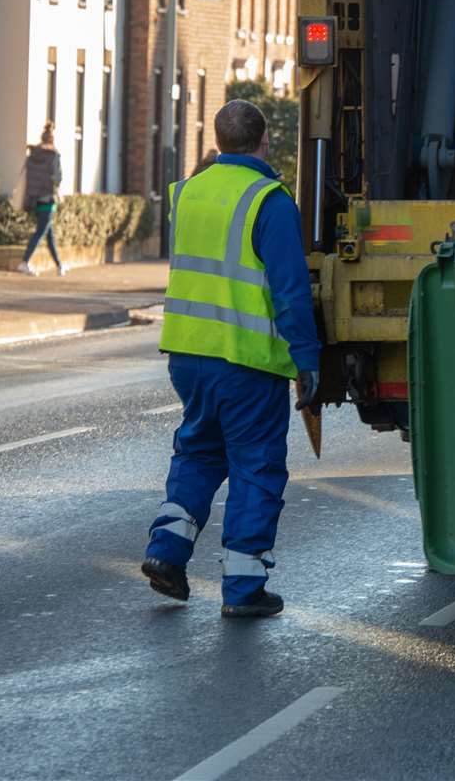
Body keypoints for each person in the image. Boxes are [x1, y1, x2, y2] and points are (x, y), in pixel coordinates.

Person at [140, 100, 321, 618]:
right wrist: (306, 360)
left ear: (219, 142)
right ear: (265, 142)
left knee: (198, 453)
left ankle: (166, 552)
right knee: (256, 467)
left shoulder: (187, 193)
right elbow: (289, 292)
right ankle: (243, 589)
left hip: (188, 355)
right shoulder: (271, 201)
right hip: (246, 361)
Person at [17, 123, 65, 276]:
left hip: (33, 199)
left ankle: (59, 265)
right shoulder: (53, 156)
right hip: (47, 198)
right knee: (40, 232)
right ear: (52, 139)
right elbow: (58, 178)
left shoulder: (33, 154)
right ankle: (25, 262)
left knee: (48, 233)